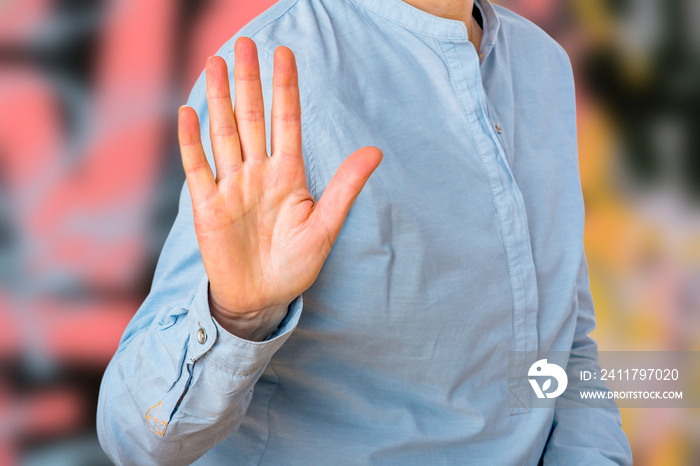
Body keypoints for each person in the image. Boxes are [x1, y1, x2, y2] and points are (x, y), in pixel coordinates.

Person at [97, 0, 633, 464]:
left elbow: (563, 345)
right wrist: (238, 317)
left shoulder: (545, 66)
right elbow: (135, 441)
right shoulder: (274, 73)